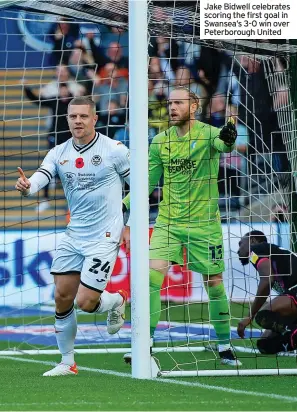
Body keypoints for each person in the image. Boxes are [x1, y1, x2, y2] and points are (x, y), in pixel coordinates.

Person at [122, 85, 240, 366]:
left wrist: (230, 137)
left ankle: (224, 346)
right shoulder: (160, 140)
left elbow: (224, 145)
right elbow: (148, 181)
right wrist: (124, 205)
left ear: (194, 105)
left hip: (204, 224)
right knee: (150, 279)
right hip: (168, 222)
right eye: (170, 103)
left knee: (213, 284)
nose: (172, 108)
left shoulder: (209, 133)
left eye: (178, 103)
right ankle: (144, 344)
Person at [15, 96, 130, 376]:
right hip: (74, 234)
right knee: (62, 296)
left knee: (86, 303)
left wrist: (129, 222)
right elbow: (43, 175)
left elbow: (140, 185)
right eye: (72, 117)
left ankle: (116, 300)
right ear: (67, 119)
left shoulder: (115, 150)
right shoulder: (59, 152)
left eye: (82, 116)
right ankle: (68, 362)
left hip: (104, 235)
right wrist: (29, 187)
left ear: (94, 119)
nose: (77, 121)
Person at [237, 230, 297, 354]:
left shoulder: (256, 250)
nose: (238, 250)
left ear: (252, 240)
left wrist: (249, 316)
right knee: (266, 343)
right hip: (293, 292)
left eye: (240, 243)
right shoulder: (273, 254)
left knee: (263, 315)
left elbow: (267, 280)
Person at [24, 82, 73, 212]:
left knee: (70, 170)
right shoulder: (54, 101)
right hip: (54, 139)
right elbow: (37, 100)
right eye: (61, 90)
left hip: (70, 141)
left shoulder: (74, 103)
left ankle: (72, 202)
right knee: (49, 167)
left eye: (65, 90)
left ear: (68, 90)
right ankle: (45, 200)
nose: (63, 92)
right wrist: (26, 88)